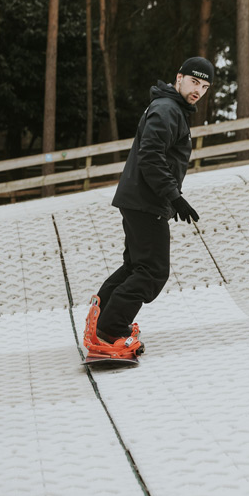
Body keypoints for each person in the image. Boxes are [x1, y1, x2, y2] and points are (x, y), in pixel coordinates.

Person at [83, 57, 214, 361]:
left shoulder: (172, 109)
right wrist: (174, 196)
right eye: (194, 82)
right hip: (147, 201)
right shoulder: (168, 109)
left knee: (136, 266)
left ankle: (100, 321)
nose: (198, 91)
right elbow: (151, 156)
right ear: (178, 77)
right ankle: (109, 331)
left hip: (141, 199)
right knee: (154, 271)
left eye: (205, 86)